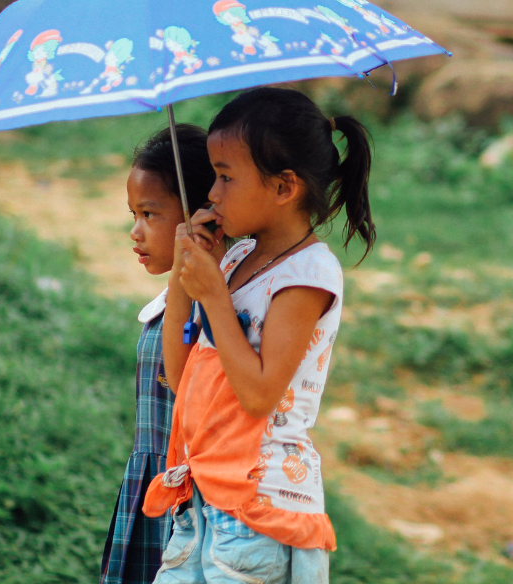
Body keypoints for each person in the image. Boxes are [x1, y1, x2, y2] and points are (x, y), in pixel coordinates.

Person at [142, 87, 375, 584]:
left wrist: (216, 299)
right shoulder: (232, 259)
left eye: (226, 177)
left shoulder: (309, 273)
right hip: (203, 496)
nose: (212, 193)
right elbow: (182, 379)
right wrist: (185, 274)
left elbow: (259, 393)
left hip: (257, 510)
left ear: (284, 187)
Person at [100, 125, 219, 584]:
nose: (135, 231)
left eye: (150, 213)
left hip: (189, 496)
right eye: (134, 213)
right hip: (150, 482)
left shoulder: (216, 298)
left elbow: (186, 380)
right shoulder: (178, 297)